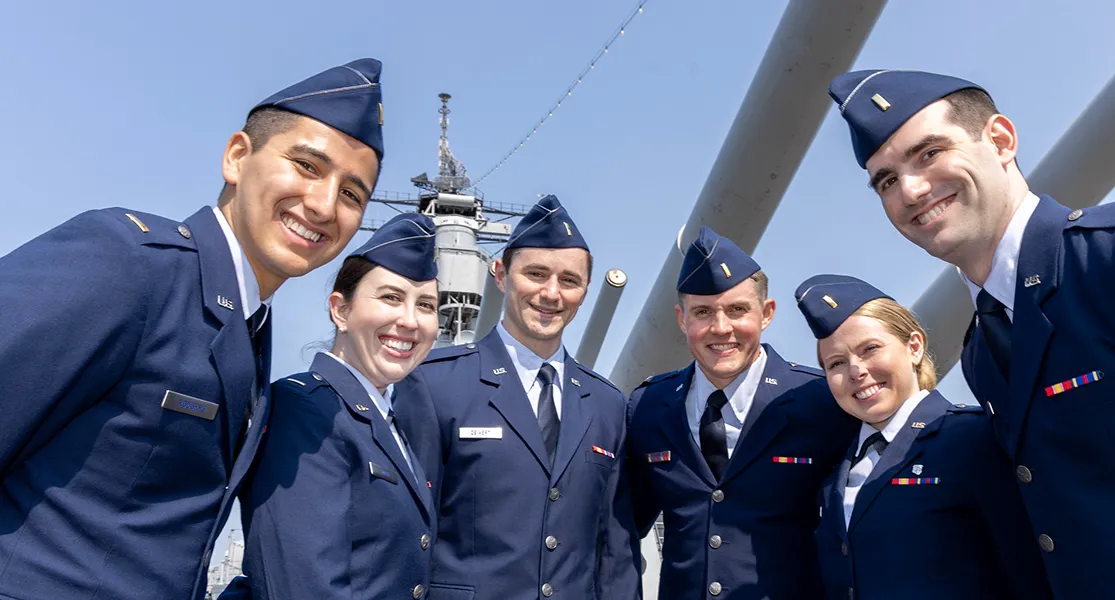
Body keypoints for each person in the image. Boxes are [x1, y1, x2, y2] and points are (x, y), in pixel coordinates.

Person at [0, 58, 384, 600]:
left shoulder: (249, 326)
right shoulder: (129, 263)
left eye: (351, 194)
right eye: (306, 165)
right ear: (237, 158)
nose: (323, 205)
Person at [829, 69, 1115, 599]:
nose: (910, 190)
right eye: (886, 180)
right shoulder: (981, 349)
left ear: (1000, 140)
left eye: (929, 153)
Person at [393, 195, 640, 600]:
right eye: (536, 274)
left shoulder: (606, 405)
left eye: (569, 281)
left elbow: (614, 550)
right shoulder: (434, 385)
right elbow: (403, 531)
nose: (551, 293)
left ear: (585, 290)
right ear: (501, 274)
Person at [625, 227, 857, 599]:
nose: (721, 328)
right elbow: (621, 528)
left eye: (737, 310)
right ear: (681, 319)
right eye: (702, 312)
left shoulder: (822, 401)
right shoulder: (649, 406)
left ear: (766, 314)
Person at [796, 274, 1051, 599]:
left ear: (914, 347)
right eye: (836, 364)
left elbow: (1029, 568)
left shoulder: (972, 438)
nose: (856, 371)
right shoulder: (832, 473)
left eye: (870, 349)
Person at [233, 213, 440, 600]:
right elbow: (303, 586)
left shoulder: (388, 425)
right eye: (391, 297)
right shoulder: (306, 412)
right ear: (340, 310)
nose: (410, 321)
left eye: (426, 305)